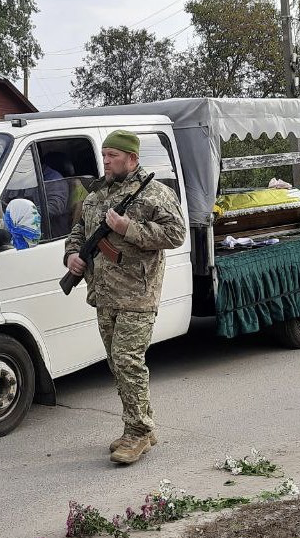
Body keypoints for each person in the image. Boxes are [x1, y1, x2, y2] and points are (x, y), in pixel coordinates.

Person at [65, 130, 187, 464]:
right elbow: (79, 232)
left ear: (132, 159)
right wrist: (72, 256)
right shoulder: (96, 196)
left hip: (138, 292)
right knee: (117, 364)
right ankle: (138, 424)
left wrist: (126, 228)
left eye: (113, 156)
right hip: (103, 293)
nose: (105, 161)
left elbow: (176, 234)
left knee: (127, 361)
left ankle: (138, 433)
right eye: (104, 155)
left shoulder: (154, 193)